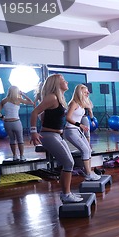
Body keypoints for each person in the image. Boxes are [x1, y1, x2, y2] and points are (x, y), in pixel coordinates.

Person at [29, 74, 82, 203]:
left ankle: (66, 193)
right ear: (56, 84)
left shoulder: (59, 98)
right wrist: (33, 132)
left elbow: (45, 114)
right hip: (49, 135)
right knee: (68, 163)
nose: (67, 82)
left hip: (58, 135)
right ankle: (66, 194)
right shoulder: (52, 97)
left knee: (69, 163)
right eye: (63, 80)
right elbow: (34, 112)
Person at [64, 84, 101, 181]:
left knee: (88, 149)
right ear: (79, 93)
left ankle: (88, 172)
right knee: (85, 150)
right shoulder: (74, 103)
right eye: (85, 92)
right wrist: (79, 125)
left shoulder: (81, 103)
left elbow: (90, 107)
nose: (87, 93)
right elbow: (67, 118)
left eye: (87, 92)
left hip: (76, 130)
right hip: (70, 130)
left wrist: (91, 119)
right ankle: (88, 174)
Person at [0, 86, 34, 161]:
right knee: (20, 139)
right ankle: (22, 156)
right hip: (16, 122)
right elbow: (31, 102)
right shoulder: (18, 99)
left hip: (7, 122)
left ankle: (14, 156)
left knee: (12, 139)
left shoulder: (3, 100)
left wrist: (2, 117)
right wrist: (23, 94)